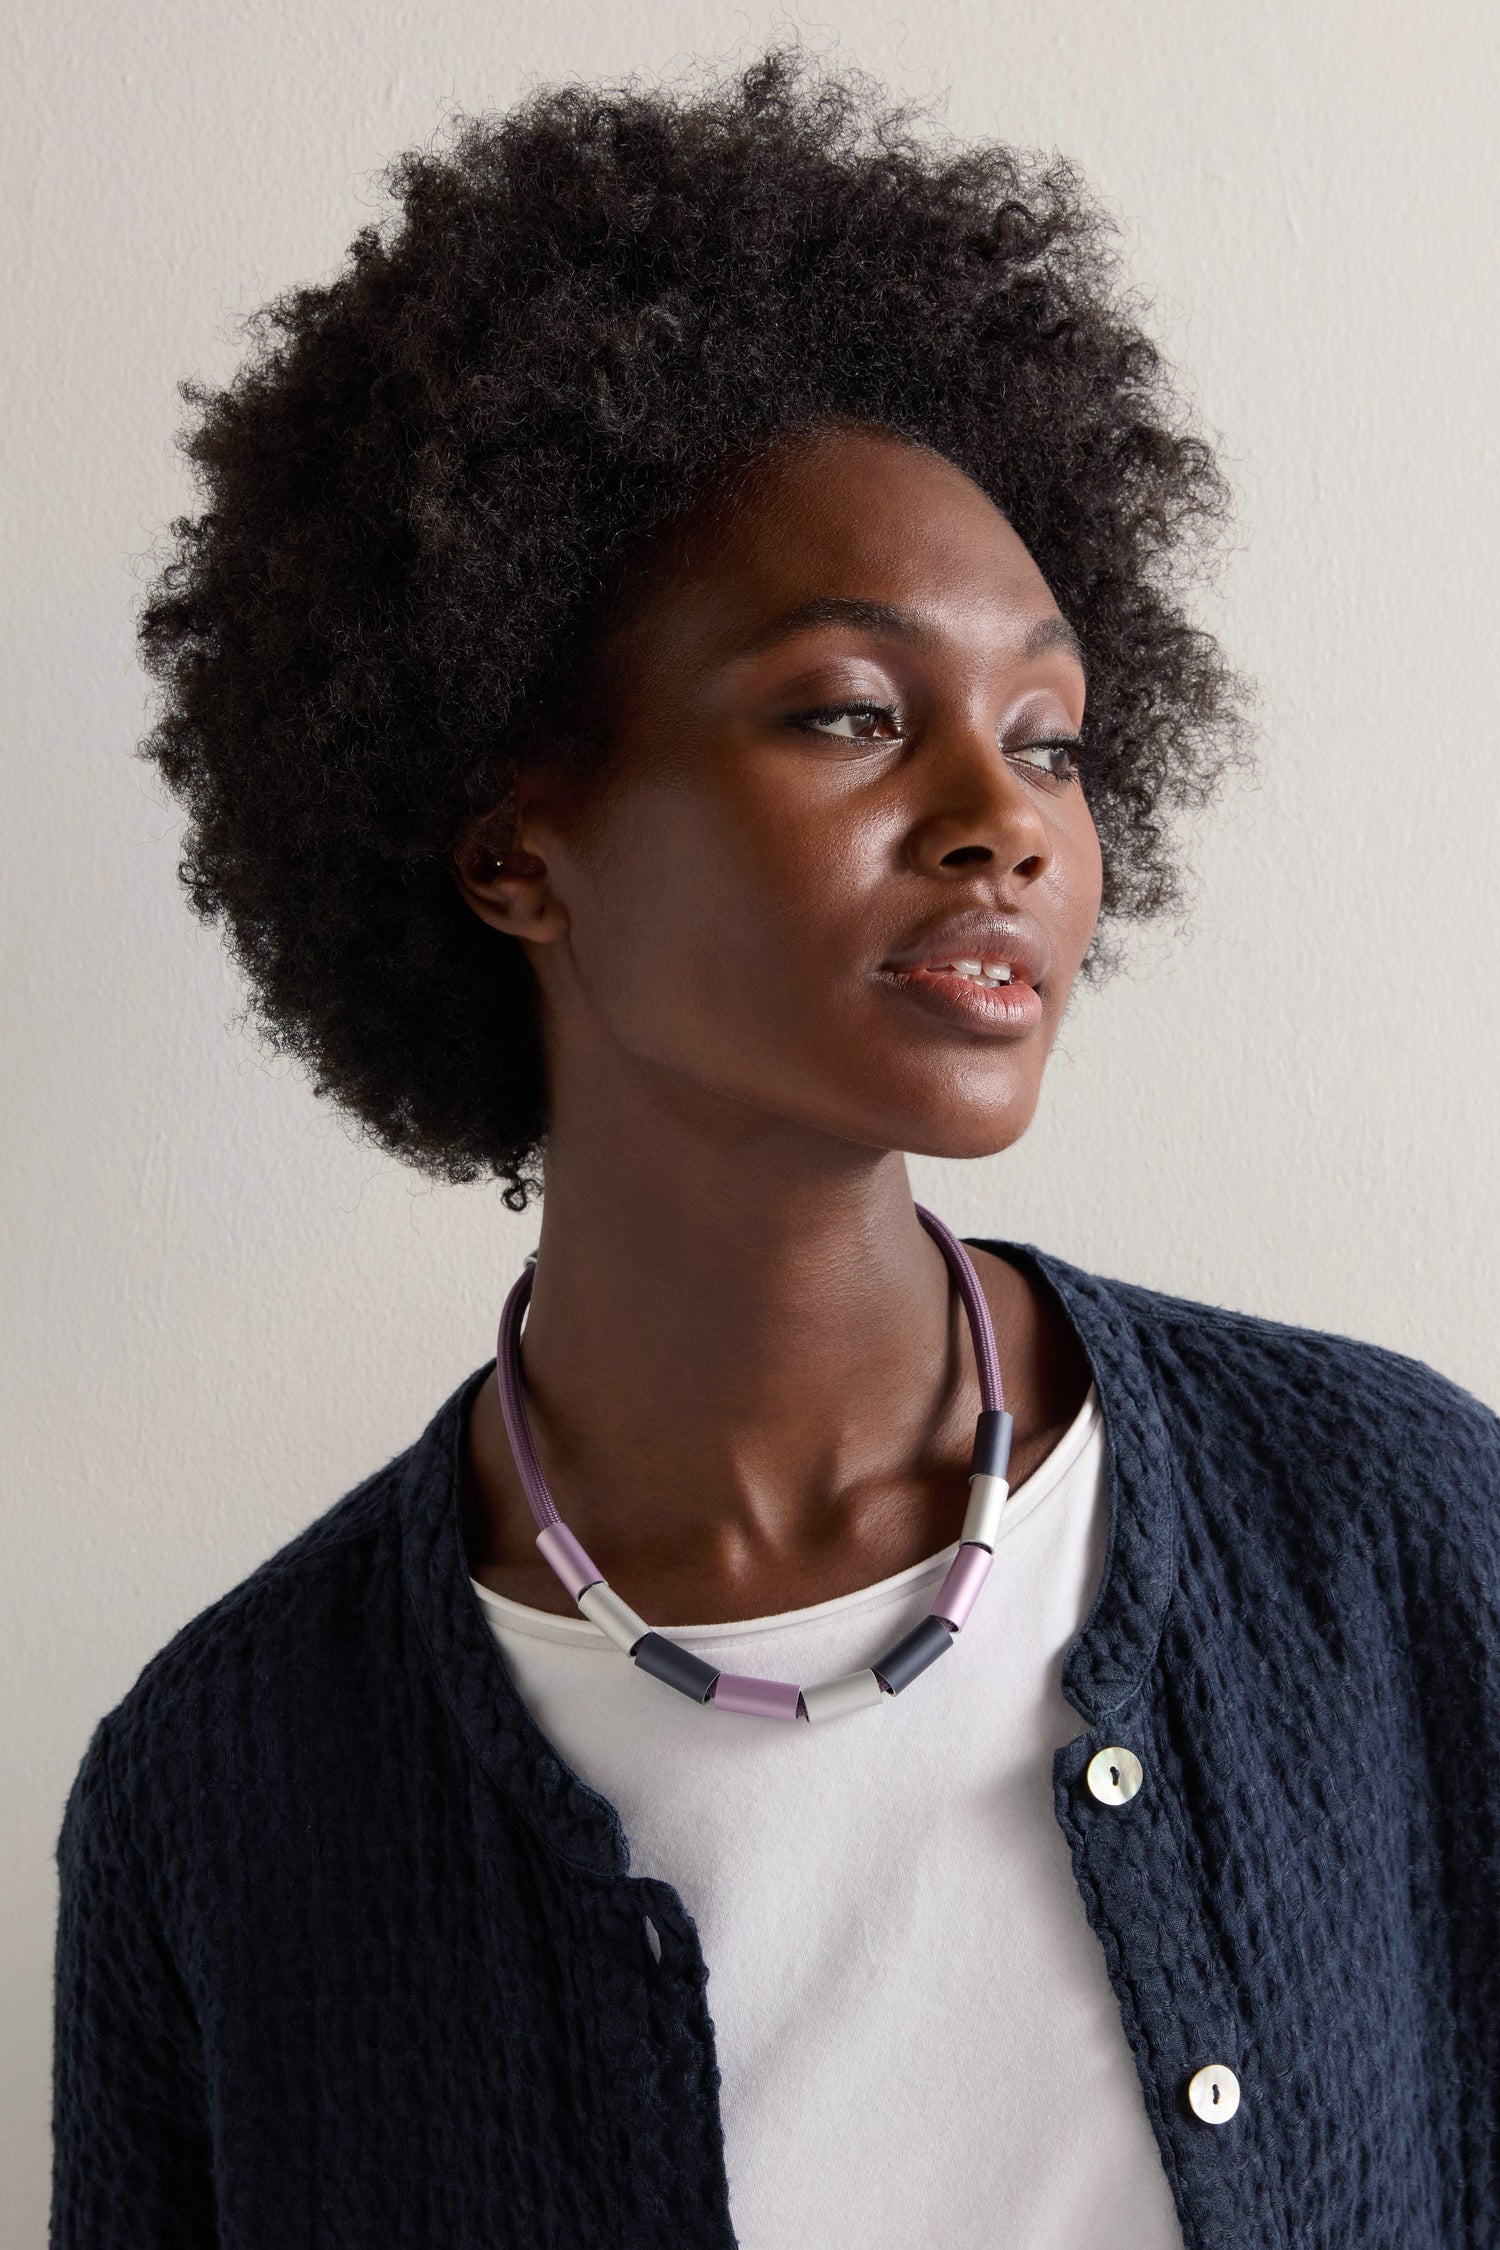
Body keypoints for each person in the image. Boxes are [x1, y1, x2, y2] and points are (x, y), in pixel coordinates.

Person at [52, 49, 1499, 2250]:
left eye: (1052, 740)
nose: (1007, 818)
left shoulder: (1387, 1536)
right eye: (847, 709)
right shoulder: (225, 1799)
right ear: (519, 852)